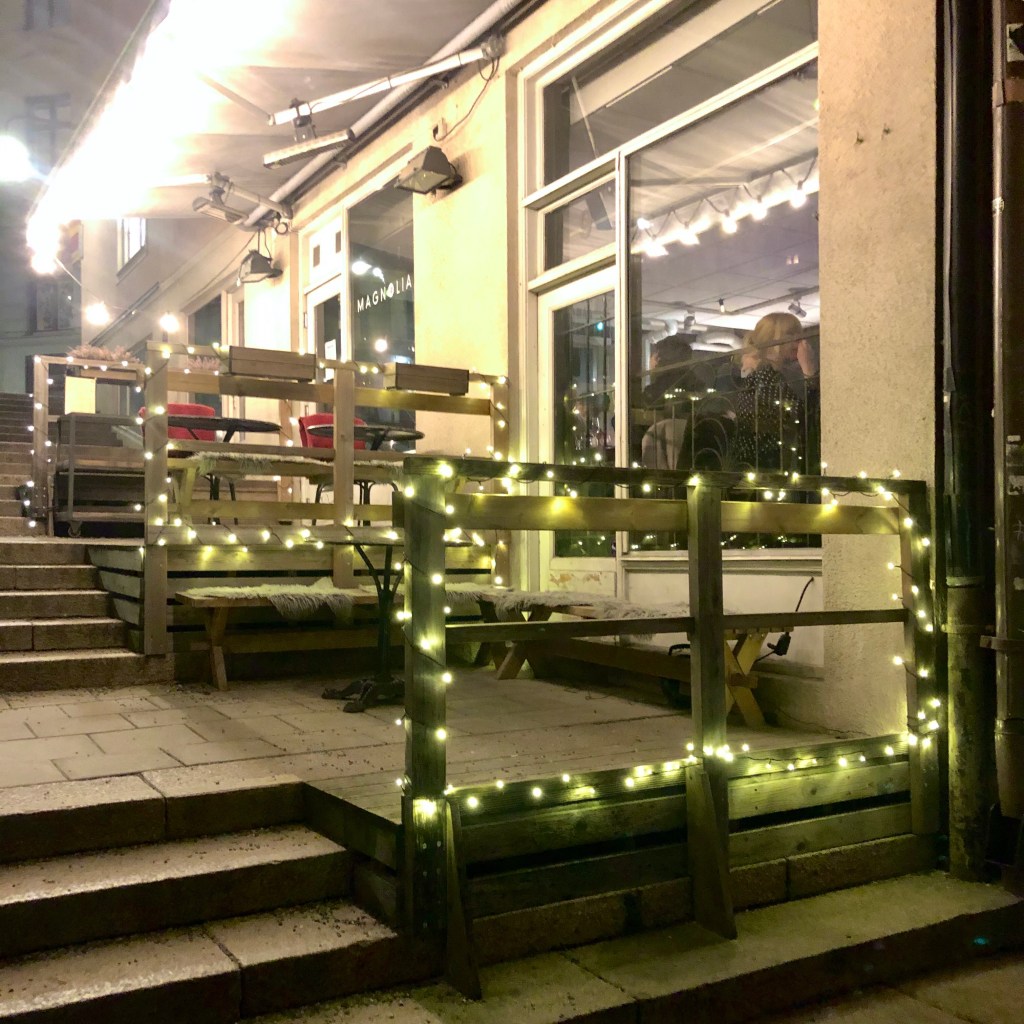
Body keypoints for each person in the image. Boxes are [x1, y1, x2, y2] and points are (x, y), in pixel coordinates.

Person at [728, 311, 818, 472]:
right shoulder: (765, 376)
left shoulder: (764, 375)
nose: (799, 340)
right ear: (772, 340)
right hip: (767, 468)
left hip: (759, 466)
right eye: (791, 334)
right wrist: (809, 370)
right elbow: (804, 418)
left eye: (799, 334)